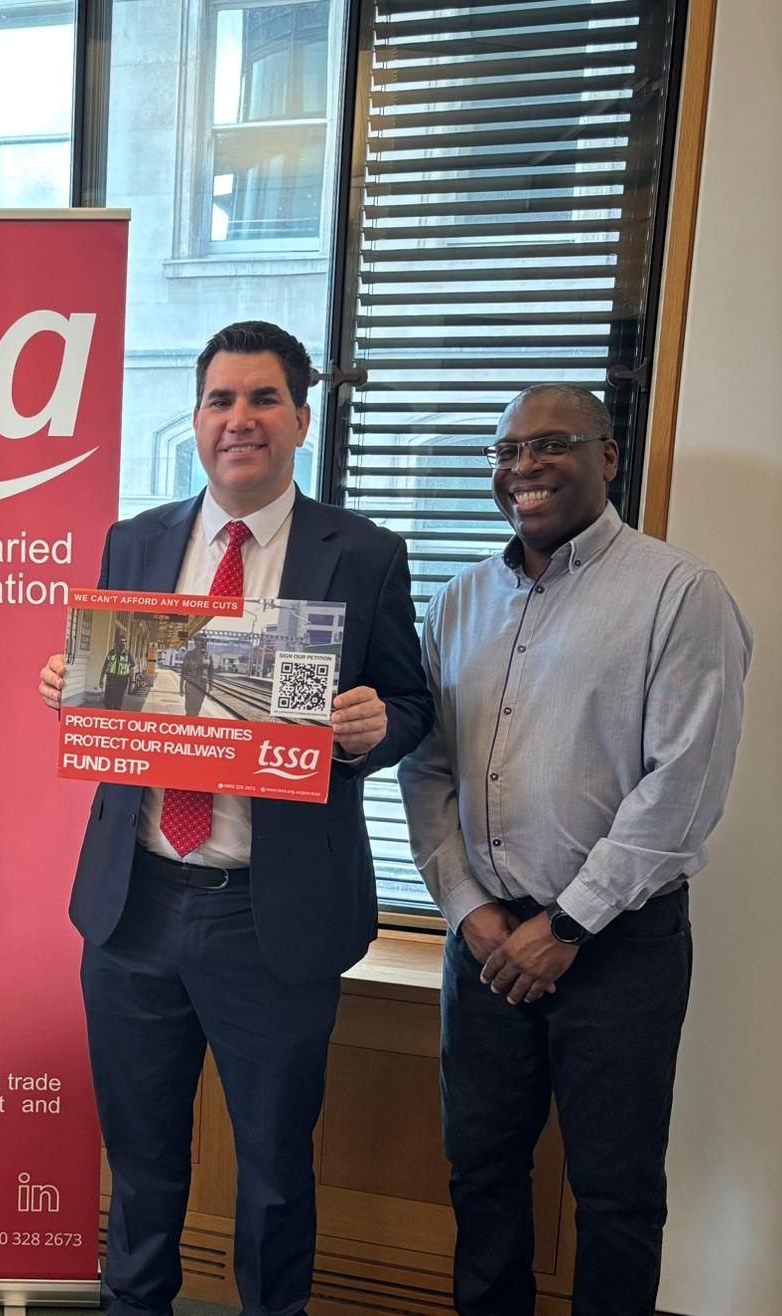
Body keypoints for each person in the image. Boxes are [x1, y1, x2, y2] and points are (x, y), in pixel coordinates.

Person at [37, 321, 431, 1316]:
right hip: (135, 902)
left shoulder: (366, 554)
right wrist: (70, 686)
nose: (239, 419)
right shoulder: (137, 538)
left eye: (262, 399)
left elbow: (414, 703)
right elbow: (119, 697)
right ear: (198, 415)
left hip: (270, 915)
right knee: (139, 1159)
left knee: (271, 1170)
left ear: (300, 417)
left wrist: (373, 725)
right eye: (220, 399)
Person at [397, 384, 751, 1316]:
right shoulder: (460, 599)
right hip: (481, 946)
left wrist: (568, 922)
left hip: (617, 947)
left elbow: (683, 788)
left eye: (549, 444)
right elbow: (427, 769)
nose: (522, 468)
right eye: (504, 451)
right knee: (480, 1173)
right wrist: (470, 910)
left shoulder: (680, 595)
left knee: (617, 1195)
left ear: (609, 457)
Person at [178, 634, 213, 717]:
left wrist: (210, 688)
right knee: (190, 709)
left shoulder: (208, 655)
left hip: (202, 686)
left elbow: (210, 673)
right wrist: (181, 687)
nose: (199, 643)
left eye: (202, 641)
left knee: (197, 708)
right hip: (190, 685)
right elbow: (184, 671)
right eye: (197, 640)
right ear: (195, 642)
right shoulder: (189, 654)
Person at [98, 634, 135, 709]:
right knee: (107, 702)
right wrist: (101, 680)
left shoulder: (127, 655)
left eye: (123, 644)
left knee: (117, 703)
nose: (121, 646)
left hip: (121, 681)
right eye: (120, 644)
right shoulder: (111, 653)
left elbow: (132, 668)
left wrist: (130, 680)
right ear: (116, 644)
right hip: (111, 680)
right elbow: (105, 667)